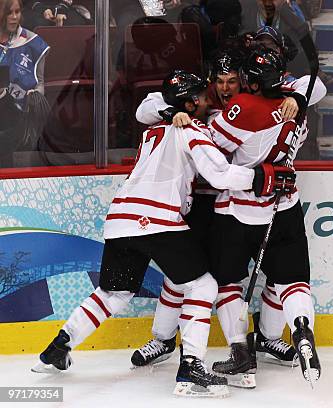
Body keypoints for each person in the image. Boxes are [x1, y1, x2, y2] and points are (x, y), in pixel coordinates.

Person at [31, 70, 296, 398]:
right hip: (155, 218)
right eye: (198, 97)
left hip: (120, 219)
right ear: (188, 103)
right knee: (203, 285)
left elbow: (150, 106)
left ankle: (58, 348)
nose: (203, 101)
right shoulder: (191, 130)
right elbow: (219, 174)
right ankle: (192, 369)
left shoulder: (152, 130)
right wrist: (262, 177)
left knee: (113, 292)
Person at [206, 47, 325, 388]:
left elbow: (211, 148)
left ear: (252, 84)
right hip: (284, 207)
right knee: (292, 280)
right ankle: (302, 329)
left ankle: (242, 354)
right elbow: (315, 86)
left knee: (228, 282)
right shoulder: (295, 103)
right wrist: (298, 99)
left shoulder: (244, 107)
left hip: (239, 212)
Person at [0, 0, 49, 110]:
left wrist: (35, 95)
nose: (14, 17)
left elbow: (40, 82)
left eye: (17, 12)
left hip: (21, 116)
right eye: (8, 13)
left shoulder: (34, 43)